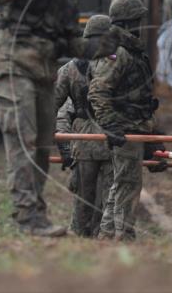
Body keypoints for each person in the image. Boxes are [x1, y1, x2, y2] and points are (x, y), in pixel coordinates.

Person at [0, 0, 96, 237]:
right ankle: (26, 214)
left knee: (42, 145)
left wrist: (98, 47)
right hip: (15, 64)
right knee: (23, 138)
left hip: (46, 71)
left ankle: (36, 212)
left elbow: (70, 38)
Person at [88, 0, 165, 241]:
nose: (141, 25)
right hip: (124, 128)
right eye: (137, 20)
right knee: (127, 184)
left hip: (136, 126)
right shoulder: (117, 52)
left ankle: (109, 234)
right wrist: (111, 125)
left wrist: (152, 134)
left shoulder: (131, 50)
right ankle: (123, 236)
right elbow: (97, 91)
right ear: (128, 22)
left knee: (122, 182)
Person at [54, 14, 114, 238]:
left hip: (84, 141)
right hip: (112, 139)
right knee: (110, 199)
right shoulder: (120, 64)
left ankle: (81, 239)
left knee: (83, 200)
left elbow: (53, 106)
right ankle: (106, 238)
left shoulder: (69, 69)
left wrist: (62, 143)